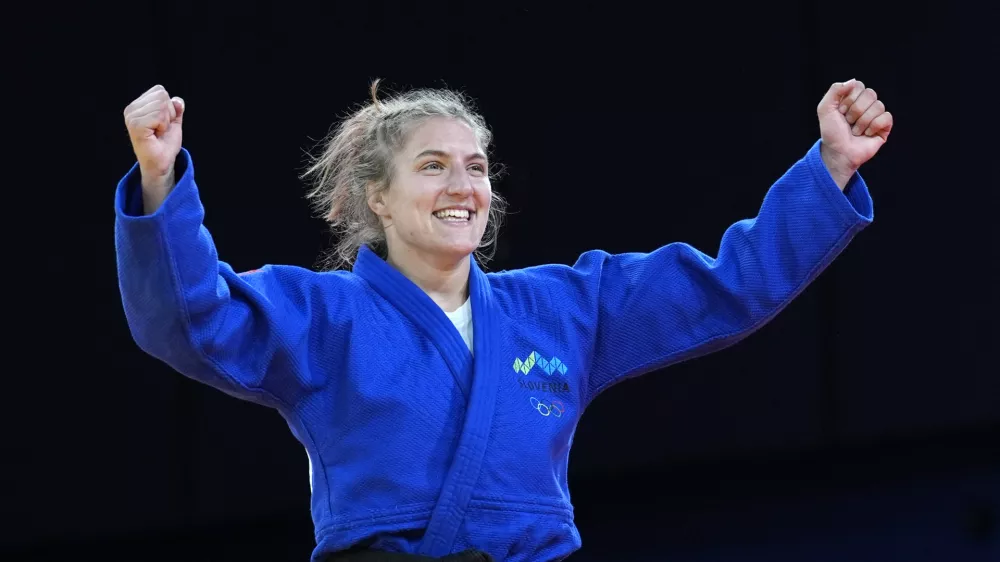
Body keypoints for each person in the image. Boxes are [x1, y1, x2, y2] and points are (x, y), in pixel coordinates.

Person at [115, 78, 892, 561]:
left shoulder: (563, 308)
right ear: (376, 199)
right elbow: (189, 319)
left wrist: (828, 171)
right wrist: (160, 183)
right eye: (432, 165)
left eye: (476, 166)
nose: (463, 184)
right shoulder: (323, 314)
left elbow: (730, 286)